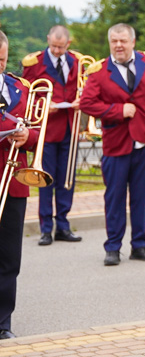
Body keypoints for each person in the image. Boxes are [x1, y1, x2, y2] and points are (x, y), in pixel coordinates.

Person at [79, 23, 145, 266]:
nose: (118, 45)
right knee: (114, 198)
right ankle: (113, 247)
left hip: (144, 142)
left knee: (141, 197)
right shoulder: (98, 71)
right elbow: (86, 103)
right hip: (116, 145)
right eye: (114, 41)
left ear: (132, 42)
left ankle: (140, 245)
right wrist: (117, 110)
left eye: (123, 41)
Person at [21, 25, 83, 246]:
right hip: (46, 130)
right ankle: (46, 229)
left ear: (69, 43)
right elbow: (26, 94)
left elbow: (84, 90)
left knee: (67, 179)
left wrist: (80, 102)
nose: (56, 51)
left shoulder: (77, 61)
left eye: (61, 47)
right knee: (45, 179)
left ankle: (63, 226)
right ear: (48, 40)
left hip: (69, 127)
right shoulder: (35, 62)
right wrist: (44, 105)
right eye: (53, 46)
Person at [0, 30, 37, 340]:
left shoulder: (20, 87)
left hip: (14, 180)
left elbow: (40, 131)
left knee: (10, 257)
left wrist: (28, 136)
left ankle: (3, 322)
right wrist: (12, 125)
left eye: (2, 59)